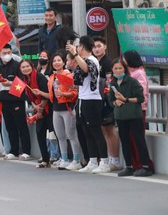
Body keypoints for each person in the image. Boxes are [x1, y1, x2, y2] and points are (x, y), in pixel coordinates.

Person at [66, 36, 108, 173]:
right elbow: (80, 79)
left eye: (78, 46)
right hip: (82, 99)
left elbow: (86, 69)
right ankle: (93, 160)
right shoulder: (82, 60)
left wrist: (75, 54)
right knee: (86, 132)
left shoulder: (92, 59)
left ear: (82, 47)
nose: (76, 49)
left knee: (96, 131)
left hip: (92, 100)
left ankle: (104, 162)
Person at [108, 58, 153, 177]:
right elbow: (110, 100)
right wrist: (115, 102)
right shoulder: (112, 83)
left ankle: (145, 166)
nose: (118, 71)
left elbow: (140, 98)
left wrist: (125, 99)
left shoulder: (132, 81)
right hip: (121, 116)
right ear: (112, 70)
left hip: (134, 115)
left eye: (120, 68)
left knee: (139, 140)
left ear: (125, 69)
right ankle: (129, 166)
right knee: (125, 141)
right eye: (115, 68)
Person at [0, 44, 30, 160]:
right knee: (10, 127)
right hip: (4, 101)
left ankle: (26, 151)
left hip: (16, 100)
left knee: (21, 126)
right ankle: (13, 151)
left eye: (9, 52)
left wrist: (9, 83)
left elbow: (22, 83)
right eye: (4, 53)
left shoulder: (17, 66)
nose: (7, 55)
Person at [48, 52, 82, 170]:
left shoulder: (68, 75)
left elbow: (75, 93)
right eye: (54, 61)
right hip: (56, 109)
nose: (56, 63)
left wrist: (63, 94)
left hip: (67, 108)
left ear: (64, 62)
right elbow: (51, 94)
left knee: (71, 135)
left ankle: (77, 160)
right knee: (60, 136)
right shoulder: (52, 77)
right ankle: (64, 159)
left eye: (59, 60)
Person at [93, 36, 121, 173]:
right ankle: (110, 159)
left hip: (107, 100)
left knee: (109, 130)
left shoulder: (108, 62)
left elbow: (109, 83)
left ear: (105, 47)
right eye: (94, 47)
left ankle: (115, 160)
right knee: (104, 130)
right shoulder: (95, 62)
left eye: (99, 46)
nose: (96, 49)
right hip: (98, 99)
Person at [123, 50, 153, 172]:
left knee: (137, 138)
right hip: (127, 109)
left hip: (137, 109)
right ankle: (134, 165)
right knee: (129, 138)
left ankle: (144, 165)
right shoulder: (127, 72)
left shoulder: (139, 73)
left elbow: (140, 92)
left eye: (124, 58)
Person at [19, 59, 51, 168]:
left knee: (54, 133)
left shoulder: (39, 77)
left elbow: (46, 94)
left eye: (27, 66)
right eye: (23, 67)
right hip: (38, 108)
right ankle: (45, 160)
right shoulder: (24, 80)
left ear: (32, 66)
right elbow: (28, 96)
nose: (25, 69)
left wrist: (40, 109)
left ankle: (61, 158)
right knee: (40, 133)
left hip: (47, 108)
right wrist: (34, 106)